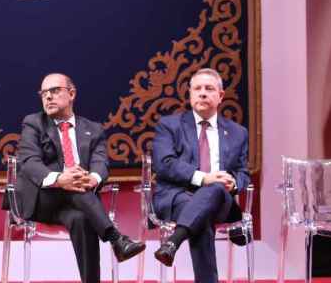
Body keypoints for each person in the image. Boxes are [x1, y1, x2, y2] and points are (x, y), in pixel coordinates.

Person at [16, 73, 145, 283]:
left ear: (72, 93)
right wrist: (60, 179)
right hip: (43, 199)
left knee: (82, 219)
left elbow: (100, 163)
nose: (48, 97)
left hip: (77, 204)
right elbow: (29, 162)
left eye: (55, 91)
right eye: (44, 93)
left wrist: (92, 179)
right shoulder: (33, 123)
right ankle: (116, 239)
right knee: (75, 187)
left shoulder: (93, 129)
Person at [150, 68, 250, 283]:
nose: (202, 93)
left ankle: (173, 241)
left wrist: (233, 182)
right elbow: (164, 164)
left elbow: (243, 173)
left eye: (209, 88)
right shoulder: (169, 125)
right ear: (190, 94)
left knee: (214, 189)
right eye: (197, 89)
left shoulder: (237, 132)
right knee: (200, 217)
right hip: (177, 196)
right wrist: (203, 178)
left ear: (220, 96)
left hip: (220, 199)